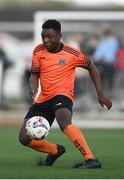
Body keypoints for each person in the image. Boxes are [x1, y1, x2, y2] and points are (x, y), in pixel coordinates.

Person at [19, 20, 112, 169]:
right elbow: (34, 74)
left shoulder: (72, 53)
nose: (46, 40)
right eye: (43, 36)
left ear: (60, 35)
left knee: (64, 121)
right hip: (43, 99)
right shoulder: (38, 51)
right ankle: (55, 151)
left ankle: (91, 159)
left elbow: (92, 68)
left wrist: (100, 94)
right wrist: (34, 87)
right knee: (24, 138)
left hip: (63, 95)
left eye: (50, 37)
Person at [93, 30, 119, 98]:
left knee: (110, 79)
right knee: (102, 78)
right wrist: (96, 58)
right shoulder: (102, 42)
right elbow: (99, 51)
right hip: (102, 63)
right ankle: (102, 93)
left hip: (110, 63)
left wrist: (107, 58)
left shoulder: (113, 42)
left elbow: (112, 52)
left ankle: (110, 93)